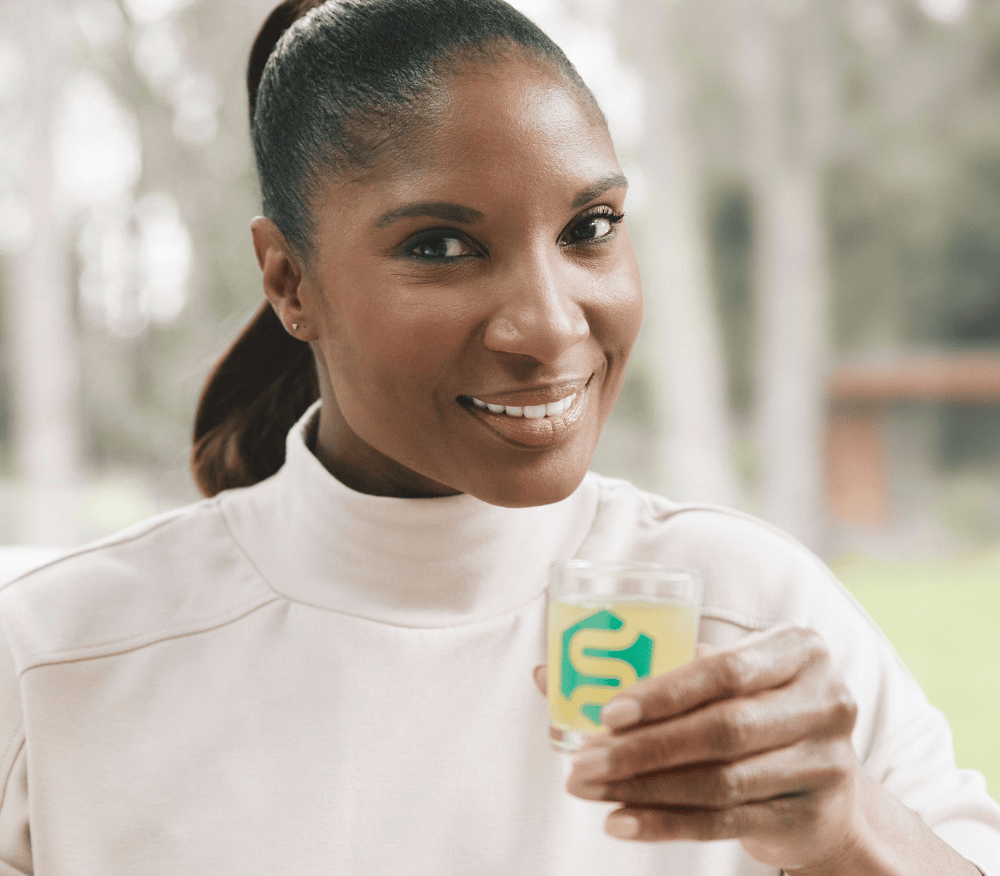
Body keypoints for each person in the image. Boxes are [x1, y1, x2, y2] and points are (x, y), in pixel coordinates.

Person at [1, 0, 998, 873]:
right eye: (440, 246)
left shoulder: (756, 621)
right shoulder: (52, 663)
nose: (553, 325)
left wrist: (850, 832)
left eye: (589, 228)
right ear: (288, 282)